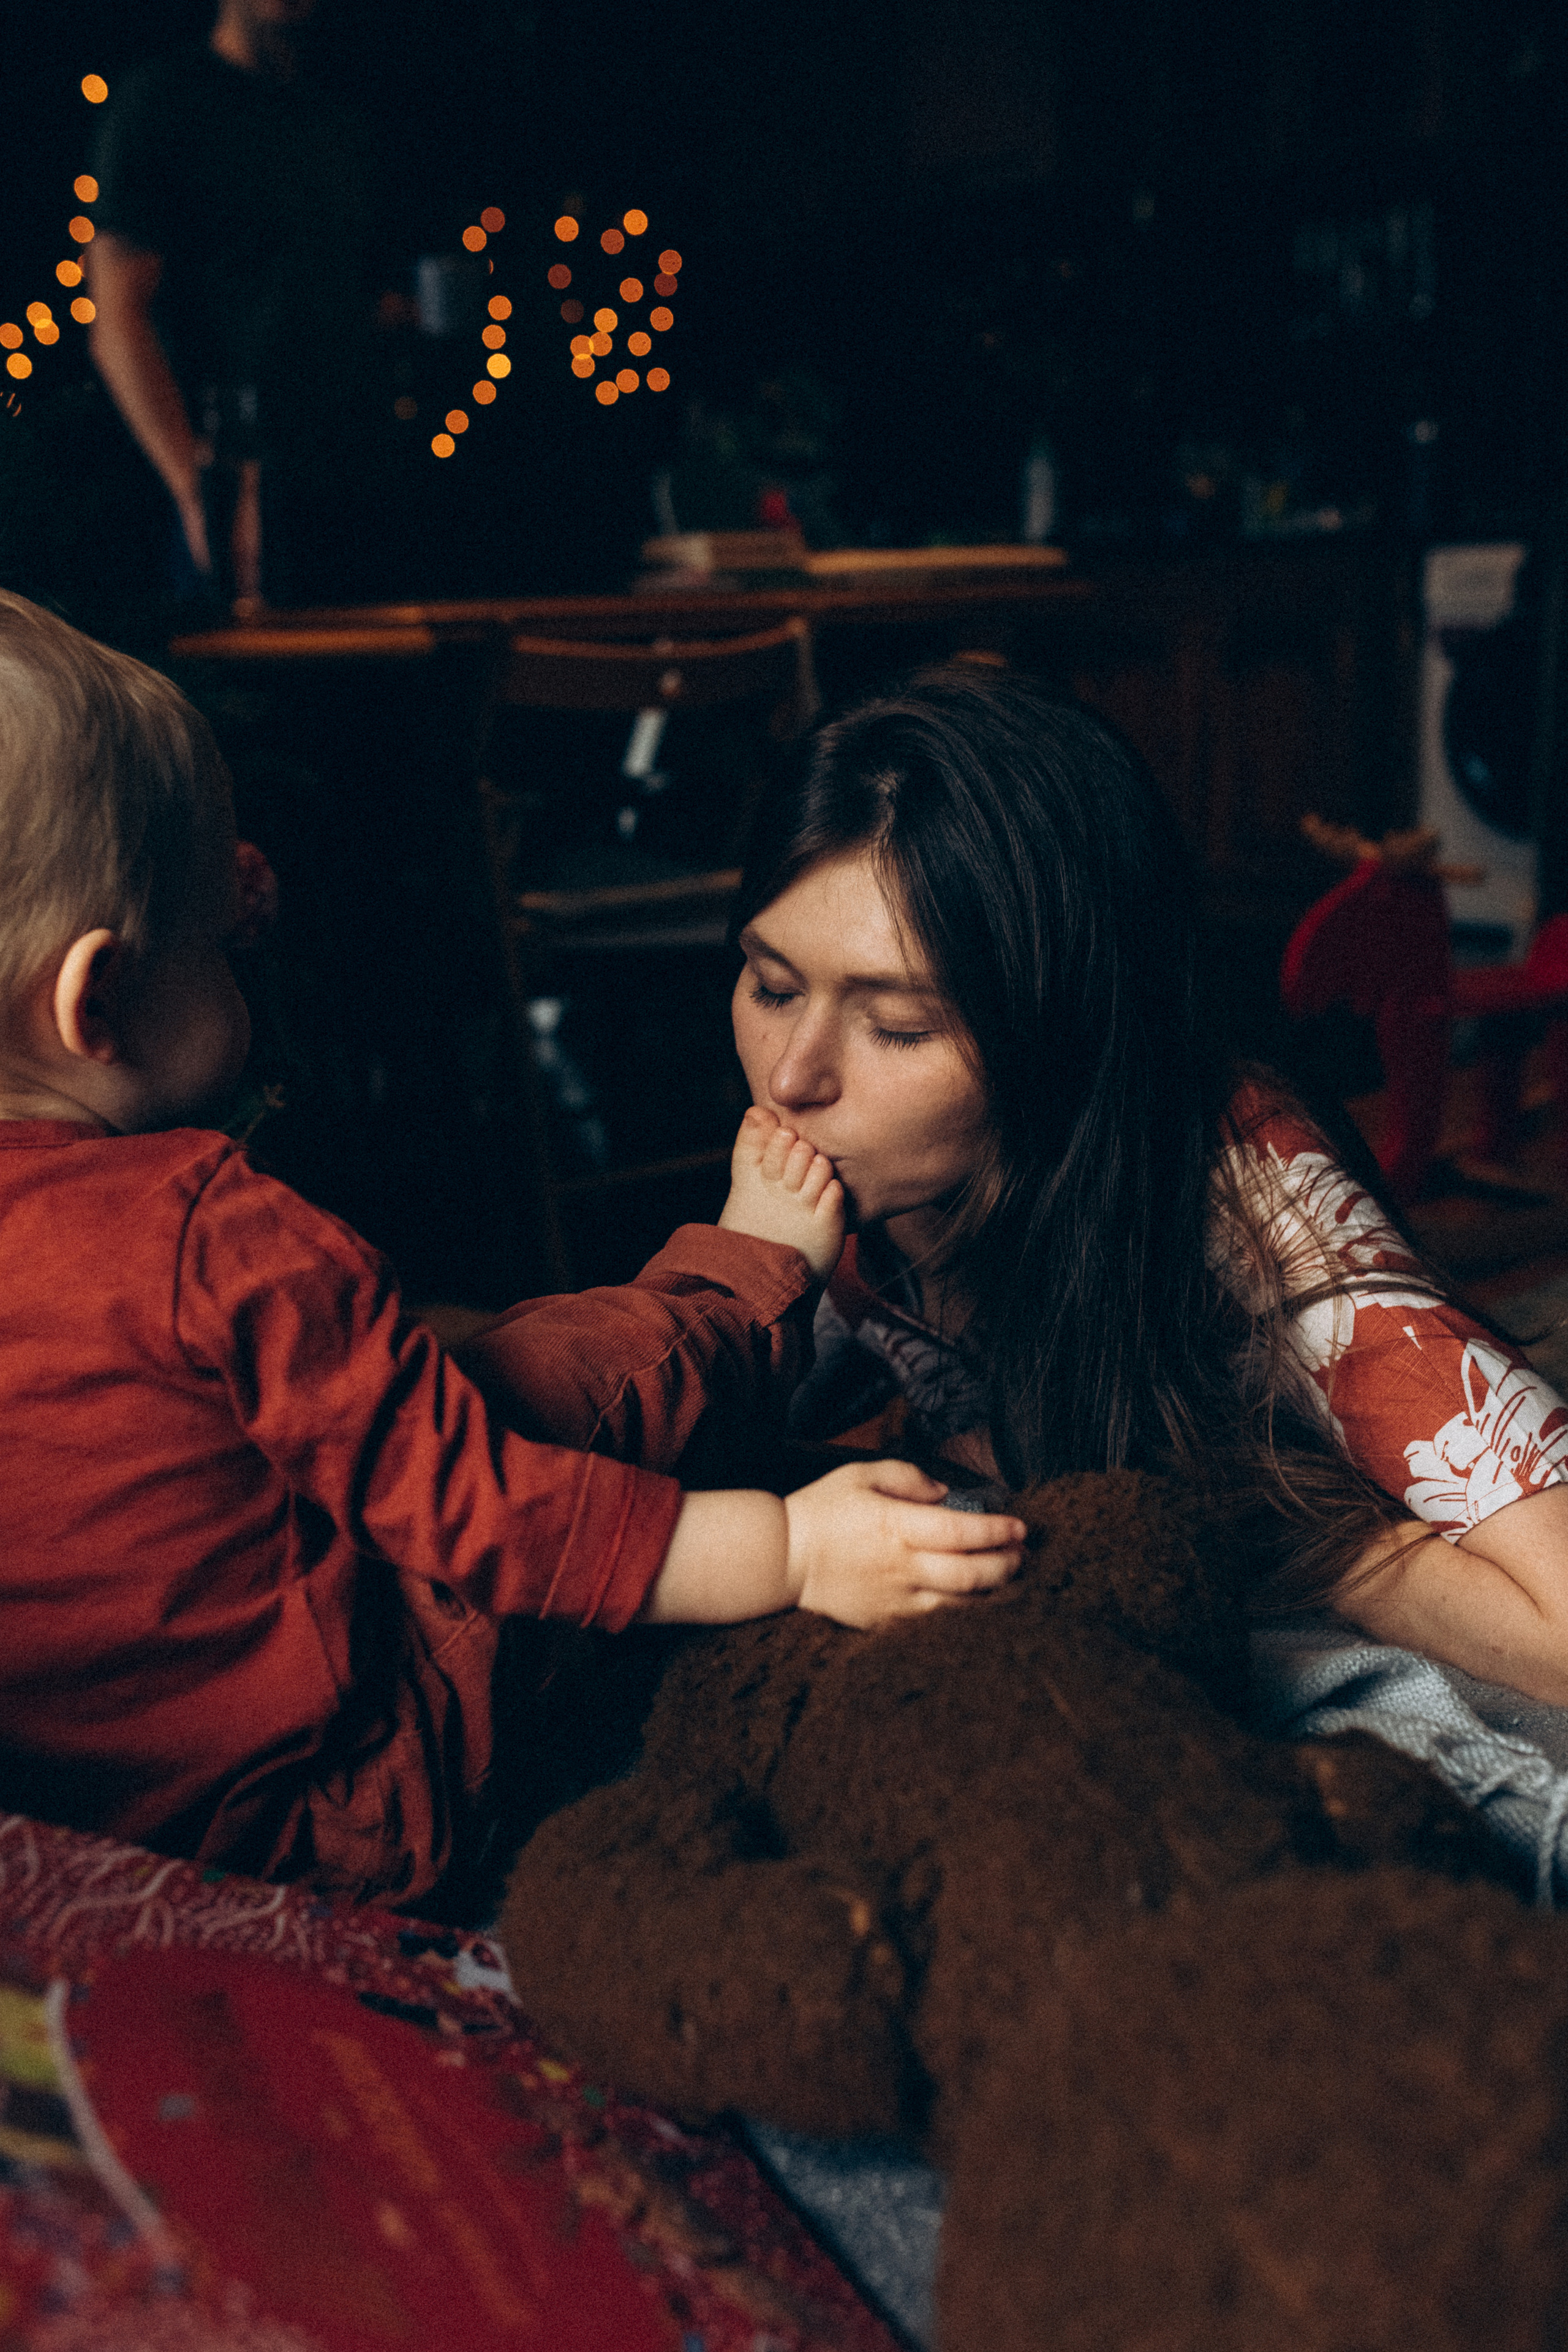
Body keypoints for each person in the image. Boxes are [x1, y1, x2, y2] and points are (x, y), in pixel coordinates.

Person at [0, 596, 1028, 1910]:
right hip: (346, 1806)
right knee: (532, 1380)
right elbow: (482, 1512)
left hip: (102, 1814)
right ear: (95, 1000)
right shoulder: (207, 1234)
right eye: (219, 943)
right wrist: (785, 1550)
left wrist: (196, 915)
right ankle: (735, 1281)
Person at [469, 667, 1568, 1709]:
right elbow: (562, 1483)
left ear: (1063, 1040)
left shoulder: (1250, 1195)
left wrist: (1269, 1514)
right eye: (769, 983)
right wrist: (737, 1284)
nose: (794, 1077)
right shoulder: (837, 1174)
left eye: (898, 1027)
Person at [86, 0, 399, 608]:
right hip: (230, 491)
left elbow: (362, 302)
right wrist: (200, 491)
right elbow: (117, 322)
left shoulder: (340, 119)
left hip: (349, 488)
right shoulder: (160, 104)